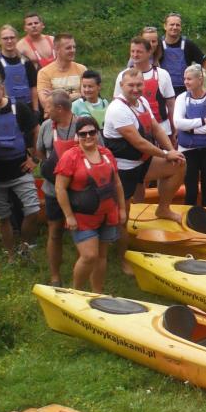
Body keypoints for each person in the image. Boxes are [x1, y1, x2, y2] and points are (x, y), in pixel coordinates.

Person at [103, 66, 185, 252]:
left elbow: (156, 128)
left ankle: (163, 209)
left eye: (139, 85)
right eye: (131, 85)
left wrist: (172, 151)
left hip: (143, 161)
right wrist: (165, 154)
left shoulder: (142, 101)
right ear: (121, 85)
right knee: (123, 216)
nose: (135, 89)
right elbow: (139, 142)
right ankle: (122, 253)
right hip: (123, 169)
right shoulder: (117, 109)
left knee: (179, 164)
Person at [55, 116, 126, 293]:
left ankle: (97, 292)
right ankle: (76, 291)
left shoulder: (106, 154)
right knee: (89, 256)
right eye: (83, 134)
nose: (88, 136)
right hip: (82, 217)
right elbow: (60, 188)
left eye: (92, 132)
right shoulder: (70, 157)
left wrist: (122, 209)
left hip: (108, 214)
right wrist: (68, 216)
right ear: (77, 136)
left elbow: (117, 183)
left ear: (97, 133)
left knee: (101, 256)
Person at [0, 71, 42, 260]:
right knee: (2, 216)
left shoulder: (19, 107)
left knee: (33, 210)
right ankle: (10, 255)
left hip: (20, 169)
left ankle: (25, 245)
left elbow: (36, 130)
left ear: (3, 89)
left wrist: (35, 158)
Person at [37, 90, 81, 284]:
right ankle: (55, 276)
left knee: (81, 233)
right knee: (54, 231)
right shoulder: (46, 126)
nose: (45, 111)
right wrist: (49, 168)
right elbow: (40, 152)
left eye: (48, 107)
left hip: (78, 191)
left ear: (60, 108)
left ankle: (80, 274)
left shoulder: (83, 125)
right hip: (52, 190)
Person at [173, 64, 206, 209]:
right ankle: (189, 217)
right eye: (185, 79)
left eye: (189, 79)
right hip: (188, 150)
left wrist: (191, 130)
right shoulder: (181, 98)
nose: (186, 82)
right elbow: (178, 123)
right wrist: (202, 121)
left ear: (200, 80)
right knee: (191, 189)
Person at [115, 36, 176, 140]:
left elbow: (171, 104)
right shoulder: (123, 75)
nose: (135, 55)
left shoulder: (162, 74)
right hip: (136, 131)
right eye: (132, 51)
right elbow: (117, 103)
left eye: (139, 52)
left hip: (163, 128)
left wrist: (175, 127)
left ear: (149, 52)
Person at [0, 25, 38, 113]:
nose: (9, 41)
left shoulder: (26, 61)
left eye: (12, 38)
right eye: (5, 38)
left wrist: (36, 110)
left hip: (28, 109)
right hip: (5, 111)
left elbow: (34, 87)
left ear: (17, 39)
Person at [36, 34, 86, 116]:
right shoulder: (44, 73)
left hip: (80, 116)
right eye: (68, 48)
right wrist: (77, 95)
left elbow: (86, 97)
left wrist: (57, 95)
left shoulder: (82, 69)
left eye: (74, 47)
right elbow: (45, 103)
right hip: (57, 118)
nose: (73, 50)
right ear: (56, 49)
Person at [158, 13, 206, 93]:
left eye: (177, 25)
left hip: (185, 90)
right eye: (172, 24)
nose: (175, 27)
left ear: (181, 27)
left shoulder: (188, 44)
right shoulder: (158, 44)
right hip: (163, 89)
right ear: (165, 26)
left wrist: (200, 80)